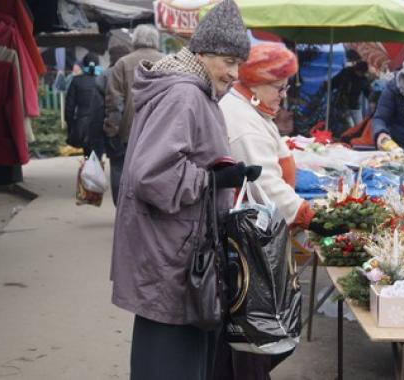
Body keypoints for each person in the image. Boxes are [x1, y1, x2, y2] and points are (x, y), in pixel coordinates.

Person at [109, 2, 259, 379]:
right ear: (202, 54)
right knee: (169, 361)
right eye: (228, 61)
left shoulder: (195, 90)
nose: (235, 73)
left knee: (178, 358)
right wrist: (214, 180)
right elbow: (151, 174)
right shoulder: (185, 95)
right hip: (172, 257)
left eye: (239, 64)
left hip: (175, 252)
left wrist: (225, 171)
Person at [216, 42, 348, 380]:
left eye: (286, 86)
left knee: (257, 339)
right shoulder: (243, 119)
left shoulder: (254, 111)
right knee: (253, 334)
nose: (284, 95)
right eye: (279, 86)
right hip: (249, 246)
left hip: (258, 239)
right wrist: (310, 216)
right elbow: (266, 187)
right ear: (256, 82)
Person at [104, 24, 165, 205]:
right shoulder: (168, 62)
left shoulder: (122, 63)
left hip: (128, 131)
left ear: (135, 40)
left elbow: (114, 102)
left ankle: (122, 208)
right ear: (155, 40)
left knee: (120, 169)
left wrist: (112, 130)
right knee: (156, 170)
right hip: (160, 129)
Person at [64, 53, 106, 158]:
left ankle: (89, 170)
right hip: (101, 122)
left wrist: (71, 126)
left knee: (87, 154)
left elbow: (69, 107)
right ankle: (99, 169)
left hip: (83, 123)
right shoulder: (105, 79)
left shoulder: (76, 81)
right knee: (99, 153)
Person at [331, 60, 371, 127]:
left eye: (362, 73)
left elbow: (368, 92)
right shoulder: (346, 73)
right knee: (350, 125)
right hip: (343, 104)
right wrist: (329, 86)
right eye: (360, 72)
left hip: (354, 104)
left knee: (359, 126)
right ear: (356, 69)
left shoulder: (363, 79)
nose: (361, 74)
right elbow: (335, 82)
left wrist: (373, 99)